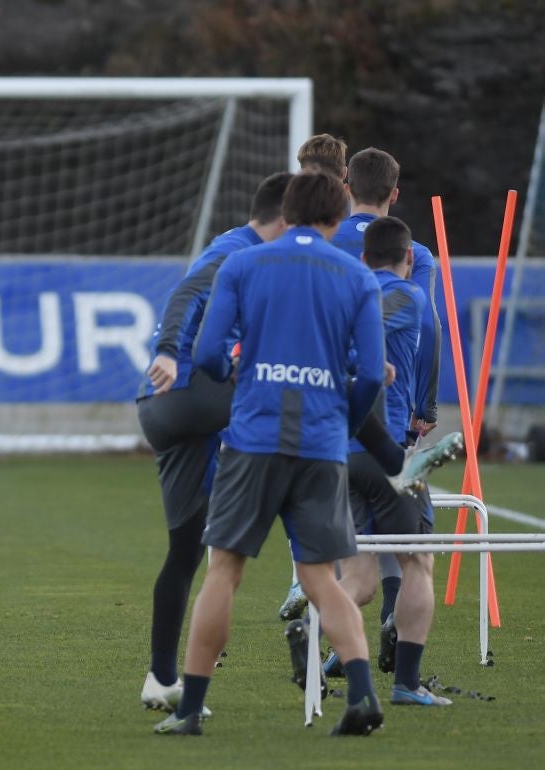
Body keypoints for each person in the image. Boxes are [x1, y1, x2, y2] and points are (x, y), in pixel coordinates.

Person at [156, 172, 387, 736]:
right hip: (322, 444)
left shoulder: (243, 264)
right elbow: (371, 375)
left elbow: (208, 353)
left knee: (224, 573)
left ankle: (189, 711)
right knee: (320, 579)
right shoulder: (358, 276)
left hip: (254, 438)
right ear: (337, 218)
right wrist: (344, 420)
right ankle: (360, 696)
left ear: (286, 212)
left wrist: (235, 373)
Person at [136, 171, 292, 717]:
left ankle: (160, 678)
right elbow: (187, 292)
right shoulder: (238, 249)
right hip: (187, 391)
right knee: (301, 405)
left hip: (165, 412)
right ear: (283, 220)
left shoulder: (246, 249)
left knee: (185, 552)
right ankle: (313, 555)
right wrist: (168, 351)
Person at [331, 216, 452, 707]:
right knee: (418, 562)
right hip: (387, 454)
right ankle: (406, 683)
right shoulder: (410, 297)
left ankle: (320, 635)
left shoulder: (343, 299)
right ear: (408, 260)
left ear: (362, 259)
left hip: (341, 452)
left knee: (357, 579)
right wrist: (427, 409)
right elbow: (424, 339)